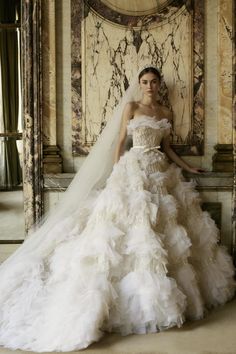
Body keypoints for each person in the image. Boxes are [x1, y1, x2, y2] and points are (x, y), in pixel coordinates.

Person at [0, 64, 235, 352]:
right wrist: (116, 173)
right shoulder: (131, 107)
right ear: (140, 84)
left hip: (159, 171)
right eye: (145, 81)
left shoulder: (165, 113)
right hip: (132, 169)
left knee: (163, 229)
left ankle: (158, 293)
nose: (149, 86)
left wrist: (188, 167)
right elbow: (121, 141)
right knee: (124, 228)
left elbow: (168, 148)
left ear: (160, 85)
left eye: (153, 82)